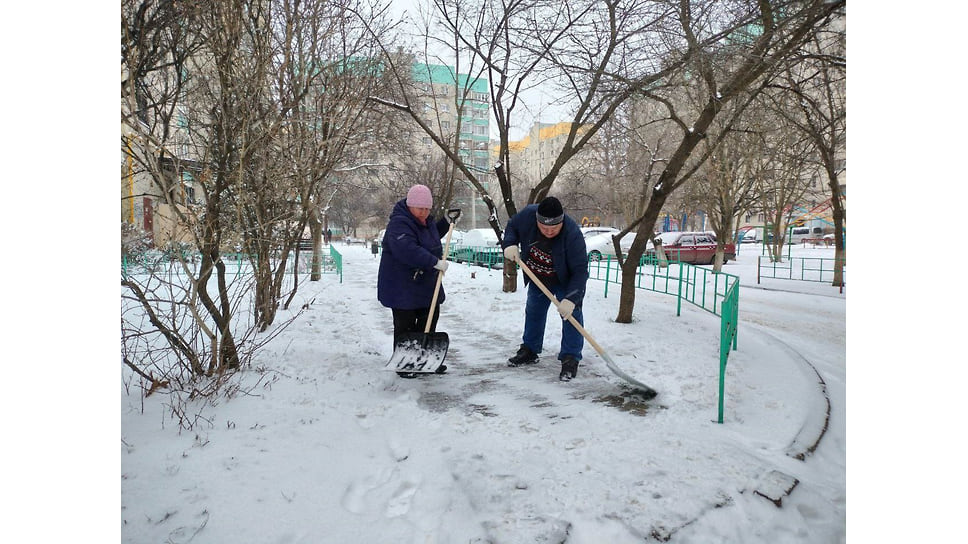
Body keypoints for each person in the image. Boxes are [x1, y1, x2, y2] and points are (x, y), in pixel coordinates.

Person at [501, 196, 588, 381]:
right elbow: (512, 227)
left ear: (561, 222)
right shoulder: (527, 216)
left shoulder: (573, 234)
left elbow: (580, 271)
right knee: (534, 311)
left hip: (565, 279)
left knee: (571, 316)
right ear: (537, 221)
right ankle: (530, 350)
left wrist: (571, 299)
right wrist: (509, 244)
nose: (549, 232)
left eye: (554, 228)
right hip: (538, 275)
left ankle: (570, 357)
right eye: (544, 228)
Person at [377, 184, 455, 374]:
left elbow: (429, 237)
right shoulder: (399, 223)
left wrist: (445, 222)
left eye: (428, 209)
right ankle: (406, 363)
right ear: (411, 205)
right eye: (421, 208)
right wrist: (434, 262)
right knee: (406, 326)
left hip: (424, 284)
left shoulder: (425, 221)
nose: (424, 213)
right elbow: (407, 249)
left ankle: (426, 360)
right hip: (402, 285)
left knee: (429, 319)